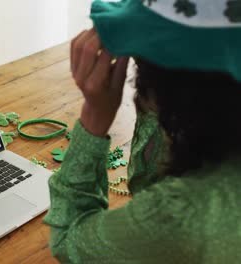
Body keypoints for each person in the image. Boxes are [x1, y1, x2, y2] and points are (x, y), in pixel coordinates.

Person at [44, 0, 241, 263]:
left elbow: (68, 239)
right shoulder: (216, 128)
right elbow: (149, 181)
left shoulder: (184, 212)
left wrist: (94, 115)